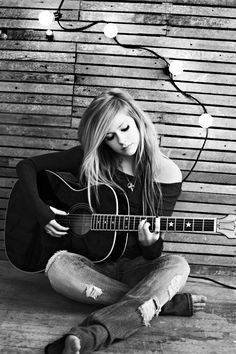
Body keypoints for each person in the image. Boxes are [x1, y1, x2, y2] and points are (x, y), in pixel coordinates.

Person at [16, 88, 206, 354]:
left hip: (136, 268)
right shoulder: (90, 158)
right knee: (58, 268)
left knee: (177, 265)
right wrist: (42, 212)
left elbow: (154, 253)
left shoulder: (166, 173)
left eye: (125, 128)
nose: (122, 141)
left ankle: (92, 334)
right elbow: (26, 166)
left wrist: (150, 244)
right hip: (89, 267)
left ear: (138, 120)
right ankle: (159, 302)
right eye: (110, 137)